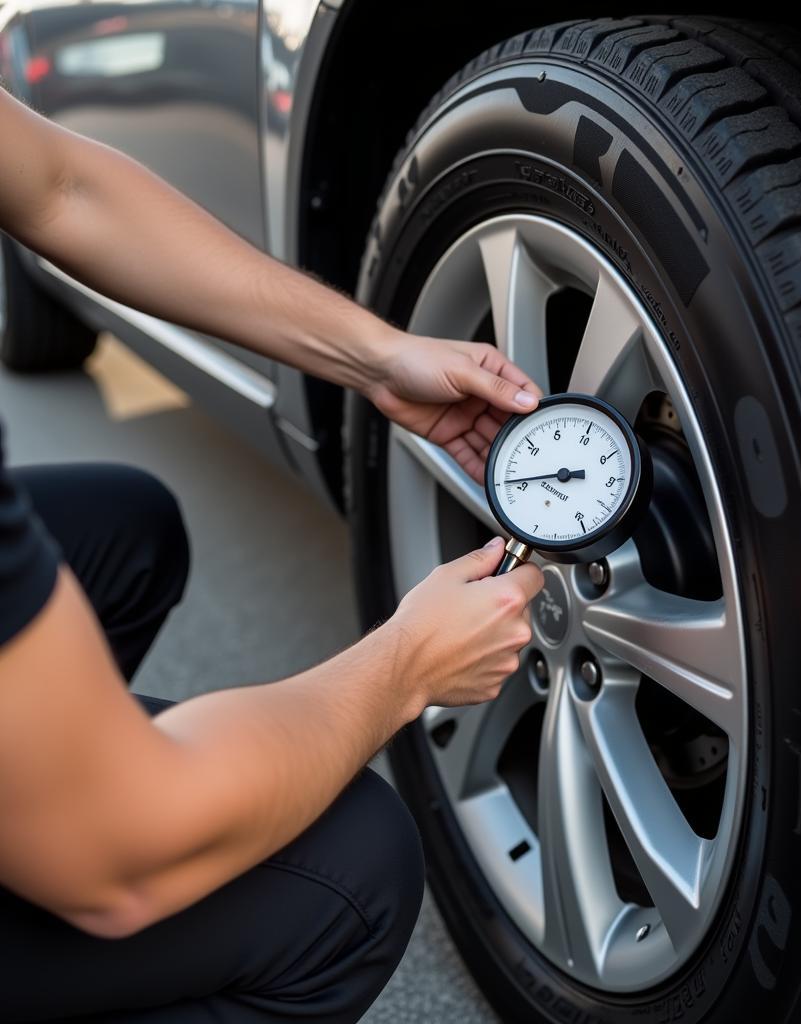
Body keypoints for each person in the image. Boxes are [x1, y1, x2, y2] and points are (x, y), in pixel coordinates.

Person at [0, 85, 544, 1021]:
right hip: (110, 847)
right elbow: (119, 854)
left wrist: (377, 355)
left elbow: (60, 186)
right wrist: (405, 664)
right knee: (354, 871)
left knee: (127, 531)